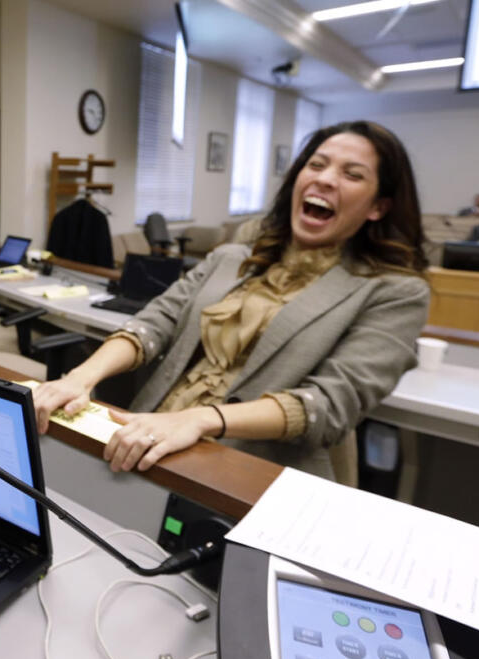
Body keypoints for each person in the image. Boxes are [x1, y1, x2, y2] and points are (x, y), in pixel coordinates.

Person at [34, 121, 430, 480]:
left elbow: (327, 404)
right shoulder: (233, 256)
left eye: (352, 174)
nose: (325, 179)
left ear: (379, 206)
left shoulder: (395, 292)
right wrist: (78, 379)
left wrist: (201, 420)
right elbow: (155, 322)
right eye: (317, 164)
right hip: (146, 440)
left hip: (254, 474)